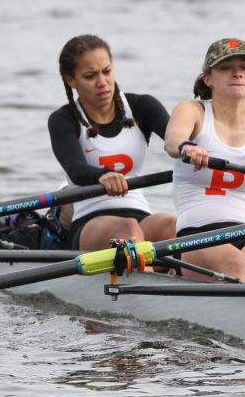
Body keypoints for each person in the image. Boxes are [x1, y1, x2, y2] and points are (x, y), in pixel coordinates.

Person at [164, 38, 245, 282]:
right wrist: (187, 147)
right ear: (208, 79)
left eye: (244, 68)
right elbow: (172, 141)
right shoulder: (192, 111)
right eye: (225, 68)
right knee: (235, 265)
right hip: (196, 236)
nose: (237, 74)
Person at [48, 34, 177, 251]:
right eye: (90, 76)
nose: (102, 82)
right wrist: (102, 175)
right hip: (90, 221)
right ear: (71, 81)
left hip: (139, 214)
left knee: (174, 226)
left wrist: (189, 148)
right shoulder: (63, 120)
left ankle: (178, 279)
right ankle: (148, 277)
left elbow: (176, 138)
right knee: (128, 231)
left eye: (107, 72)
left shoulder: (142, 106)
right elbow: (75, 168)